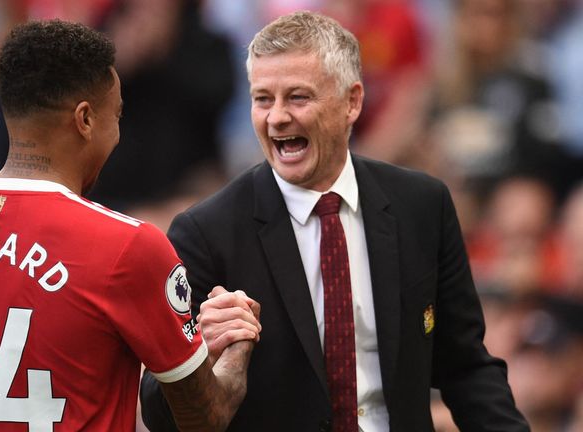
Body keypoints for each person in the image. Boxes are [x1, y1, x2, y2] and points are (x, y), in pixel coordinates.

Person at [140, 11, 529, 432]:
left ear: (352, 102)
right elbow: (160, 412)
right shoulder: (206, 232)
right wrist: (202, 359)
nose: (276, 118)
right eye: (262, 99)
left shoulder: (422, 205)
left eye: (298, 97)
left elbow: (466, 366)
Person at [0, 20, 261, 431]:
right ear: (85, 120)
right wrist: (236, 346)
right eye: (117, 115)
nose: (118, 134)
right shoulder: (128, 246)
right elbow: (203, 419)